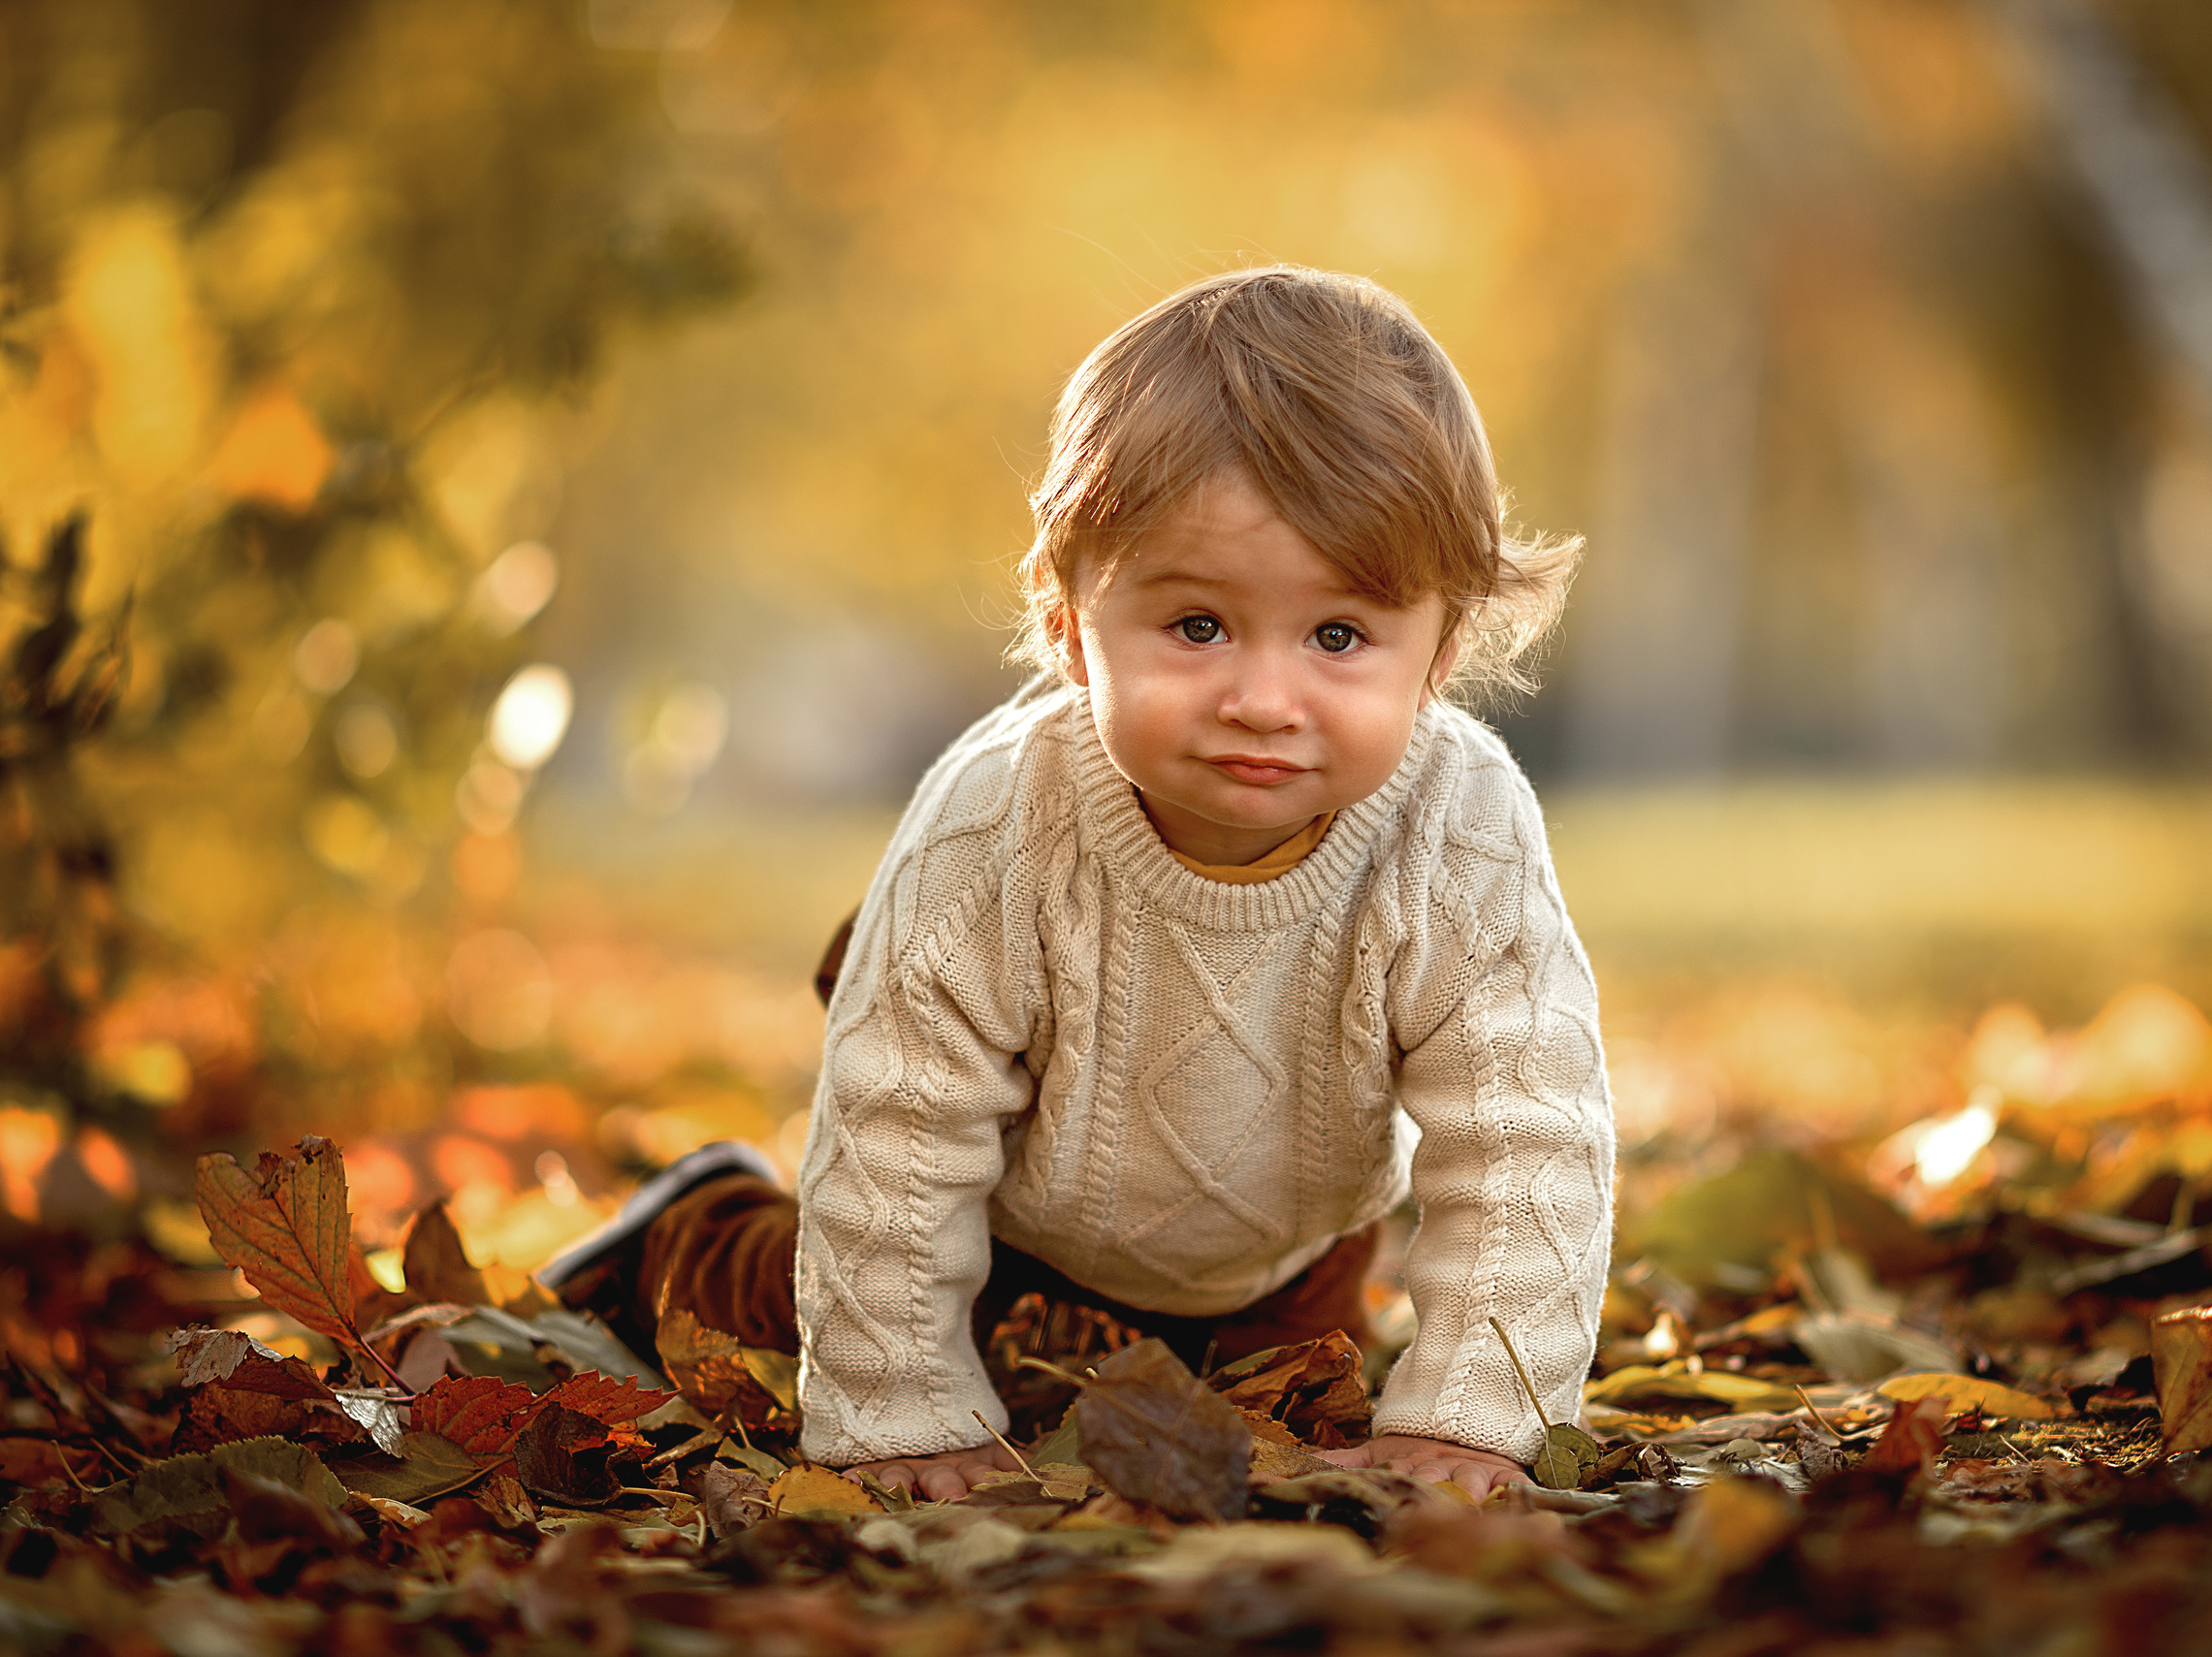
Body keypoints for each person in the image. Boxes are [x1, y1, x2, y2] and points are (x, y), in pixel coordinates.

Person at [542, 266, 1615, 1503]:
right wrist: (896, 1407)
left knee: (1272, 1412)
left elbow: (1526, 1129)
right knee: (807, 1306)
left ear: (1440, 646)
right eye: (1198, 626)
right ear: (1066, 621)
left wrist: (1478, 1414)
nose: (1263, 699)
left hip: (1284, 1244)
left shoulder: (1457, 826)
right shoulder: (1000, 821)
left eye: (1337, 636)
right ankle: (685, 1223)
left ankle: (1232, 1337)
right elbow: (903, 1125)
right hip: (1009, 1207)